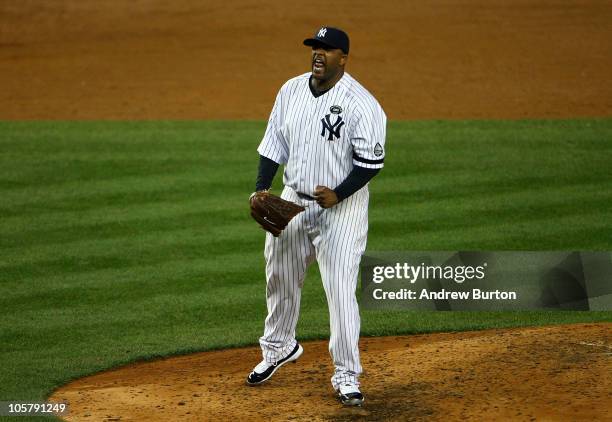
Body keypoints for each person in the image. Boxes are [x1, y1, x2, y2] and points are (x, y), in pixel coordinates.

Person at [246, 26, 386, 407]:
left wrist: (338, 192)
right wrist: (262, 188)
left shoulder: (362, 104)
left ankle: (346, 374)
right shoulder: (290, 90)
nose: (318, 54)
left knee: (340, 292)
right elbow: (273, 143)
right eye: (315, 48)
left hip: (341, 209)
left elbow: (371, 162)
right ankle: (278, 347)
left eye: (328, 49)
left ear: (344, 57)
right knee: (279, 277)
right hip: (293, 201)